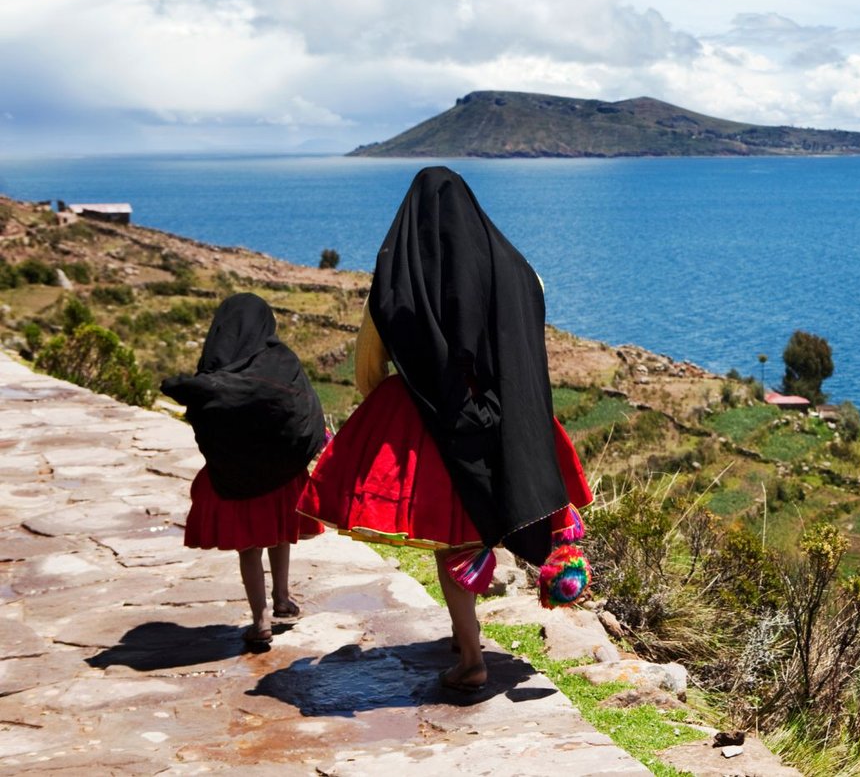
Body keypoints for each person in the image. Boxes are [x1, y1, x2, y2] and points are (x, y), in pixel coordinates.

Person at [300, 166, 592, 692]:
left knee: (452, 541)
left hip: (433, 420)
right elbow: (527, 350)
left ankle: (470, 654)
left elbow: (370, 367)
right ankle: (470, 638)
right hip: (515, 418)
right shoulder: (521, 274)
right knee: (501, 518)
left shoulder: (398, 286)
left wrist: (394, 410)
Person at [161, 293, 328, 651]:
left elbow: (206, 413)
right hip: (282, 475)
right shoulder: (281, 361)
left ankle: (261, 619)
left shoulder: (217, 368)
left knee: (248, 548)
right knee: (281, 533)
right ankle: (282, 598)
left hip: (236, 477)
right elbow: (303, 407)